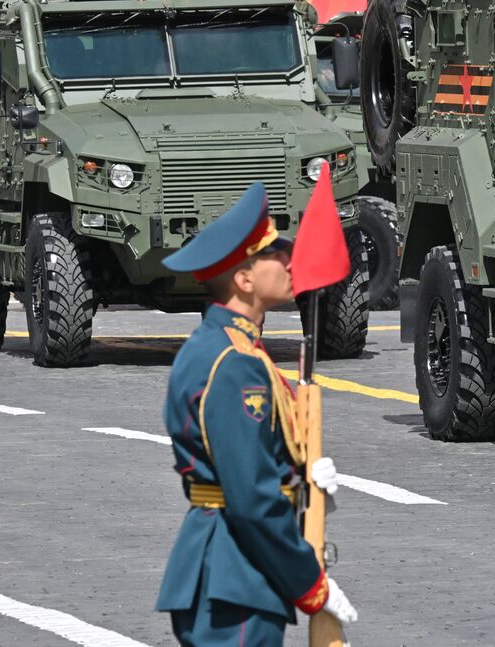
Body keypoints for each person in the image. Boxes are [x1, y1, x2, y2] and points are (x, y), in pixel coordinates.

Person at [155, 181, 357, 645]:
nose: (289, 259)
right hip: (236, 573)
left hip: (231, 570)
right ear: (244, 280)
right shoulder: (235, 365)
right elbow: (250, 495)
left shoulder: (231, 348)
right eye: (274, 253)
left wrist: (302, 469)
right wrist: (310, 584)